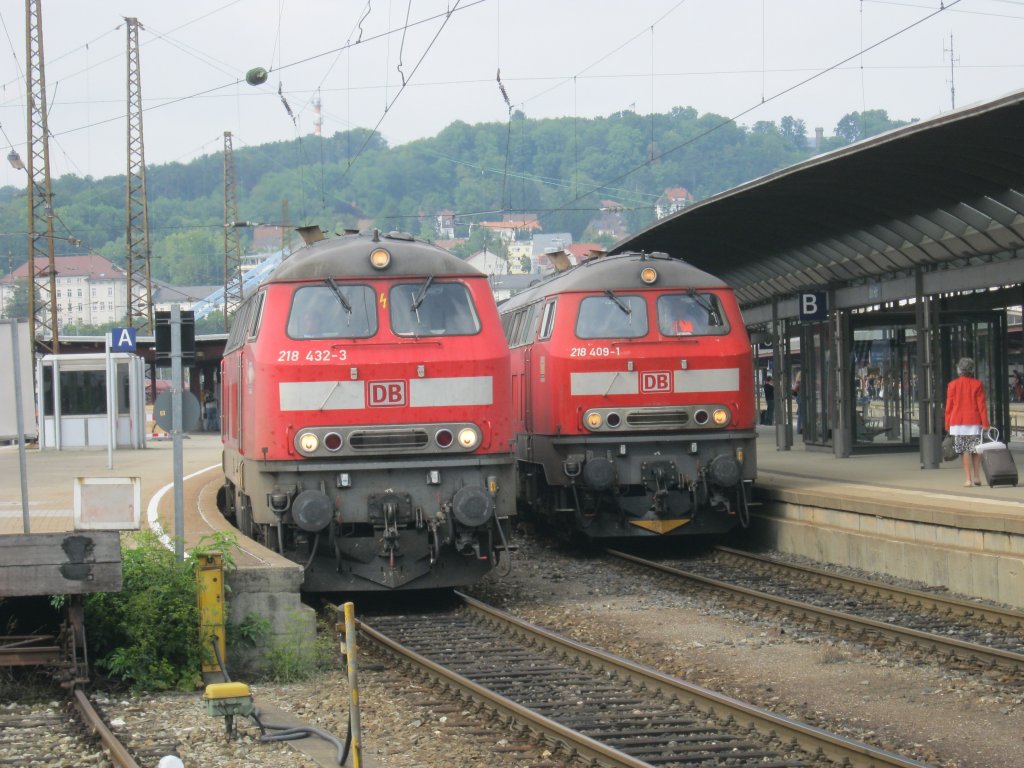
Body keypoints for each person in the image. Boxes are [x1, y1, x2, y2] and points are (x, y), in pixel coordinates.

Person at [944, 357, 989, 487]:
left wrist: (947, 423)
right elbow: (982, 406)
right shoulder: (977, 384)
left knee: (964, 451)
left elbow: (949, 407)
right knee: (976, 449)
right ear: (972, 370)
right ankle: (977, 477)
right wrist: (985, 423)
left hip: (958, 423)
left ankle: (968, 479)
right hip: (974, 422)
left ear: (959, 370)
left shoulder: (952, 385)